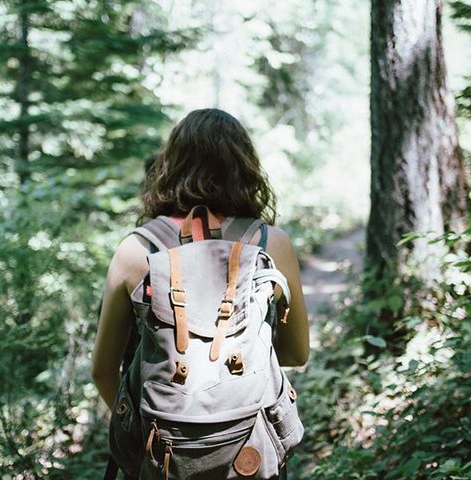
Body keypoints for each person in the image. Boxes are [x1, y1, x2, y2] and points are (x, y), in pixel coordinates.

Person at [91, 108, 310, 411]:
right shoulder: (271, 244)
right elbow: (296, 354)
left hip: (161, 446)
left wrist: (135, 433)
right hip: (249, 443)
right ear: (244, 167)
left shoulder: (136, 249)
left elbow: (102, 371)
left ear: (170, 165)